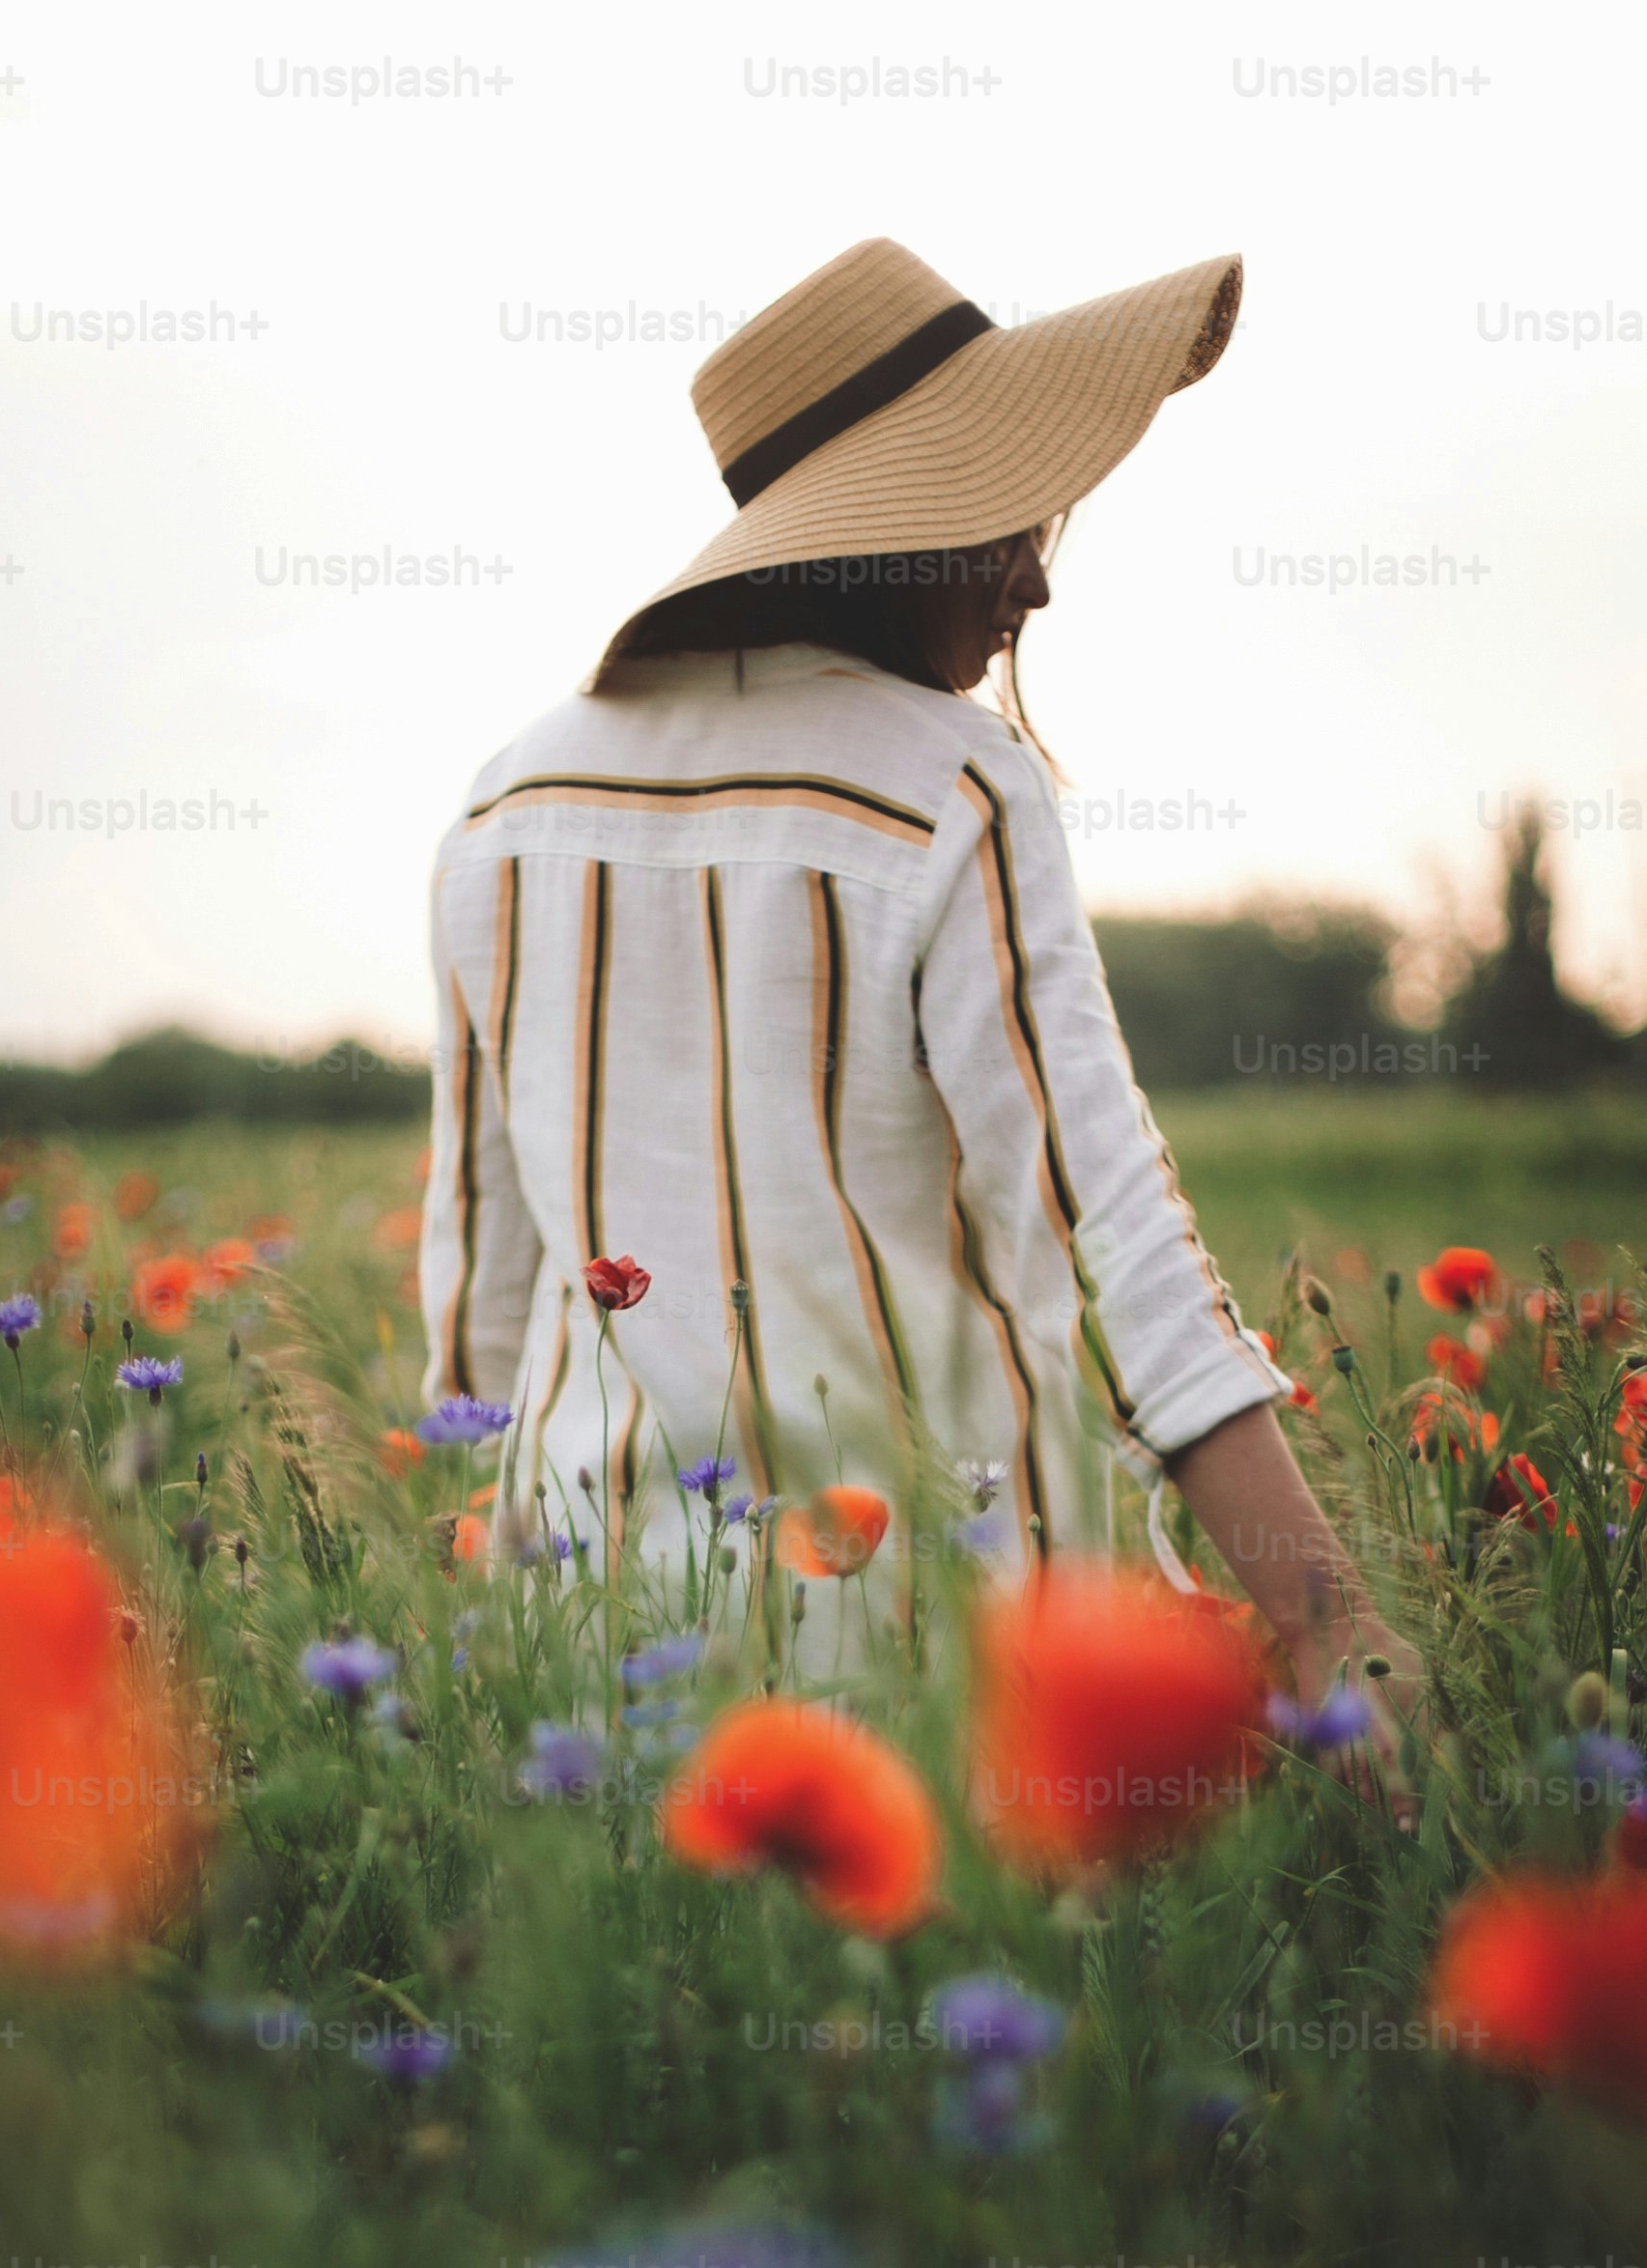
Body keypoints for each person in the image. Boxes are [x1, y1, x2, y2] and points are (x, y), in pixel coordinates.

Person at [419, 235, 1409, 1729]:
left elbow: (486, 1303)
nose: (1034, 582)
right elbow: (1113, 1245)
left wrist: (462, 1682)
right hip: (921, 1684)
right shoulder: (954, 789)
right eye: (1006, 518)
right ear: (898, 532)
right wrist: (1334, 1628)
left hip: (595, 1665)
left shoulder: (505, 804)